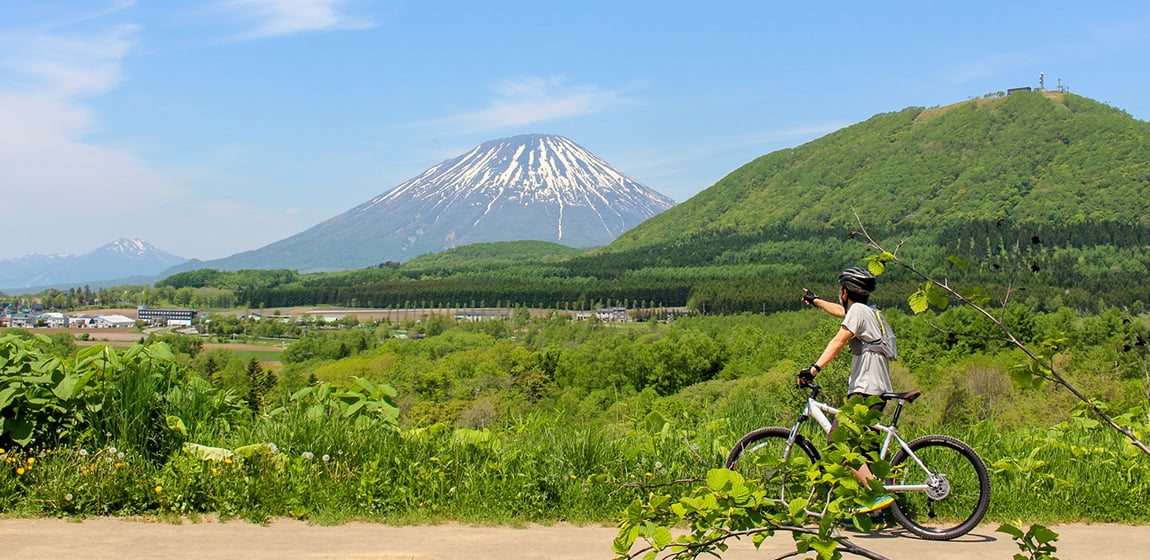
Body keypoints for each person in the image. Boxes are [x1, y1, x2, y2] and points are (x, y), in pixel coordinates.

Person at [799, 266, 899, 516]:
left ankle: (876, 496)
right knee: (865, 451)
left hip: (865, 390)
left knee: (838, 442)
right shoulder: (869, 311)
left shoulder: (858, 312)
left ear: (845, 291)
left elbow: (839, 340)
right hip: (879, 389)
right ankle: (877, 513)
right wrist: (817, 300)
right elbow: (840, 312)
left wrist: (814, 369)